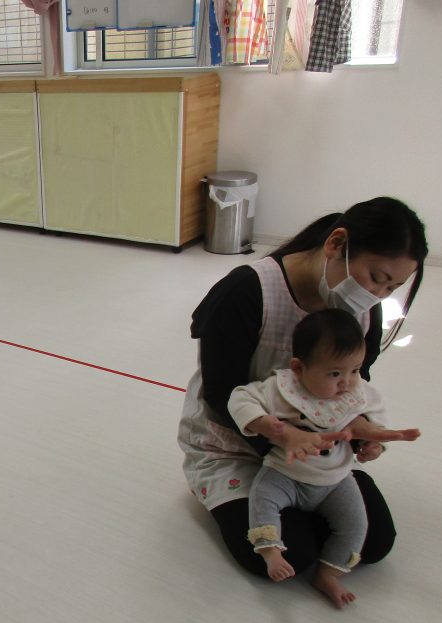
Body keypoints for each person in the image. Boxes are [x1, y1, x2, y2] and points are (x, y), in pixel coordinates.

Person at [177, 196, 428, 579]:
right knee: (291, 554)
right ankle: (228, 492)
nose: (378, 295)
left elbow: (355, 384)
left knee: (375, 543)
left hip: (316, 452)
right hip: (237, 444)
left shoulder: (364, 310)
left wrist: (361, 431)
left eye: (393, 286)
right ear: (336, 243)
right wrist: (283, 438)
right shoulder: (249, 290)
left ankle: (300, 502)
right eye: (377, 278)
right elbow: (221, 392)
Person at [228, 309, 420, 607]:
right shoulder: (282, 389)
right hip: (284, 473)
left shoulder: (359, 393)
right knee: (262, 501)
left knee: (357, 525)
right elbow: (239, 397)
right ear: (299, 368)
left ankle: (329, 574)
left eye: (355, 370)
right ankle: (270, 551)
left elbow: (375, 419)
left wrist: (374, 445)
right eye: (334, 374)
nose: (347, 382)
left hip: (337, 480)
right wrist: (265, 423)